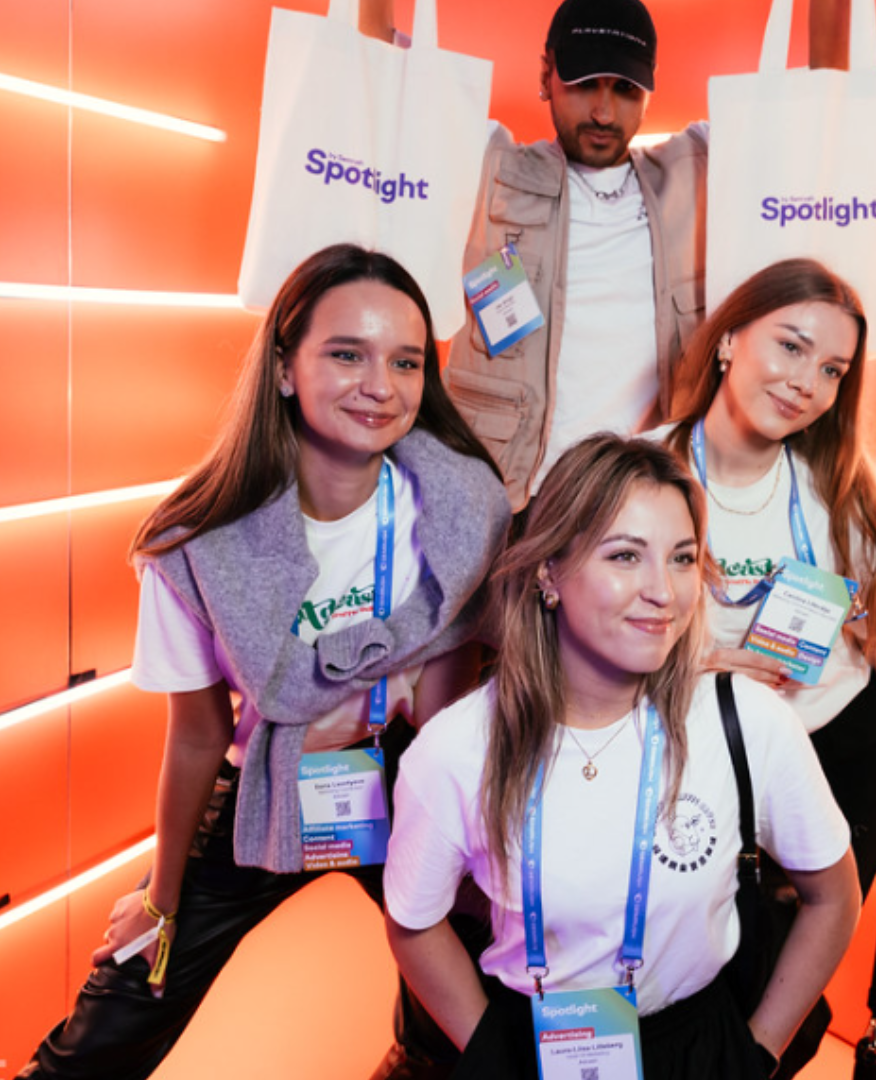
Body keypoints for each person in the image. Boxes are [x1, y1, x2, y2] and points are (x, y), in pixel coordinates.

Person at [18, 244, 511, 1080]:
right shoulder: (199, 542)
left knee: (472, 978)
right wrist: (161, 895)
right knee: (127, 1000)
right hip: (261, 779)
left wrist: (470, 856)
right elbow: (197, 734)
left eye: (406, 361)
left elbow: (443, 708)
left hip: (400, 768)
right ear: (285, 367)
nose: (380, 386)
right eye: (345, 354)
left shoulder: (462, 502)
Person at [383, 434, 860, 1079]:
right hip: (533, 1044)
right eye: (626, 555)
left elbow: (834, 898)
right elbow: (414, 923)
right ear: (550, 571)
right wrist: (492, 1053)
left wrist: (755, 1053)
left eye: (683, 558)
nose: (663, 590)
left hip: (696, 1042)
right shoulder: (456, 749)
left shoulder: (747, 721)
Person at [360, 0, 852, 509]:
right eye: (583, 84)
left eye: (625, 89)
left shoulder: (696, 173)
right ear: (546, 74)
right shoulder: (490, 166)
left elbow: (822, 108)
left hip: (634, 505)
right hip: (499, 499)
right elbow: (380, 78)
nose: (602, 111)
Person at [662, 258, 876, 899]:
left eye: (832, 370)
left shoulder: (844, 497)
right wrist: (695, 670)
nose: (806, 383)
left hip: (839, 764)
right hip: (690, 765)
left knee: (793, 979)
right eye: (791, 346)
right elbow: (568, 652)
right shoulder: (634, 473)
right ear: (729, 340)